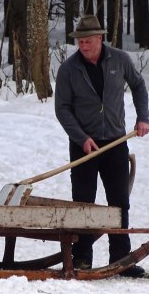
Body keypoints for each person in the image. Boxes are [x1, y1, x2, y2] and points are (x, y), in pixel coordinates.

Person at [55, 15, 149, 278]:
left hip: (115, 142)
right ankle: (82, 258)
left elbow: (140, 86)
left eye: (88, 41)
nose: (83, 46)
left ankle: (122, 259)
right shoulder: (68, 69)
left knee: (118, 202)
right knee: (83, 203)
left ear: (100, 39)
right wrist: (81, 137)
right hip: (84, 145)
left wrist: (143, 118)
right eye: (80, 42)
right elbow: (62, 109)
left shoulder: (119, 60)